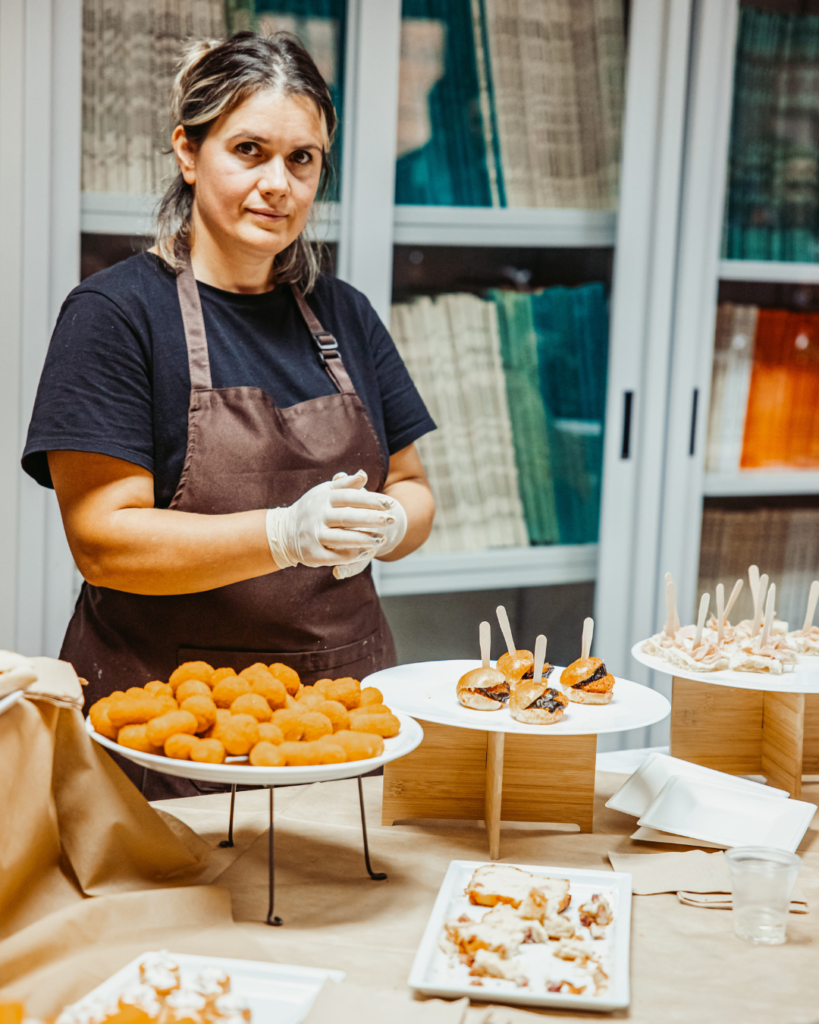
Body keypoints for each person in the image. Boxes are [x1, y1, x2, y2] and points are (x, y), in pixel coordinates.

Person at [22, 32, 436, 797]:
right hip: (165, 722)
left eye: (301, 159)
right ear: (188, 151)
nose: (277, 182)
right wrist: (283, 534)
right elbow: (105, 541)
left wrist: (387, 522)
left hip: (337, 723)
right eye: (249, 150)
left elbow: (413, 485)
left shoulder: (344, 314)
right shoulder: (115, 314)